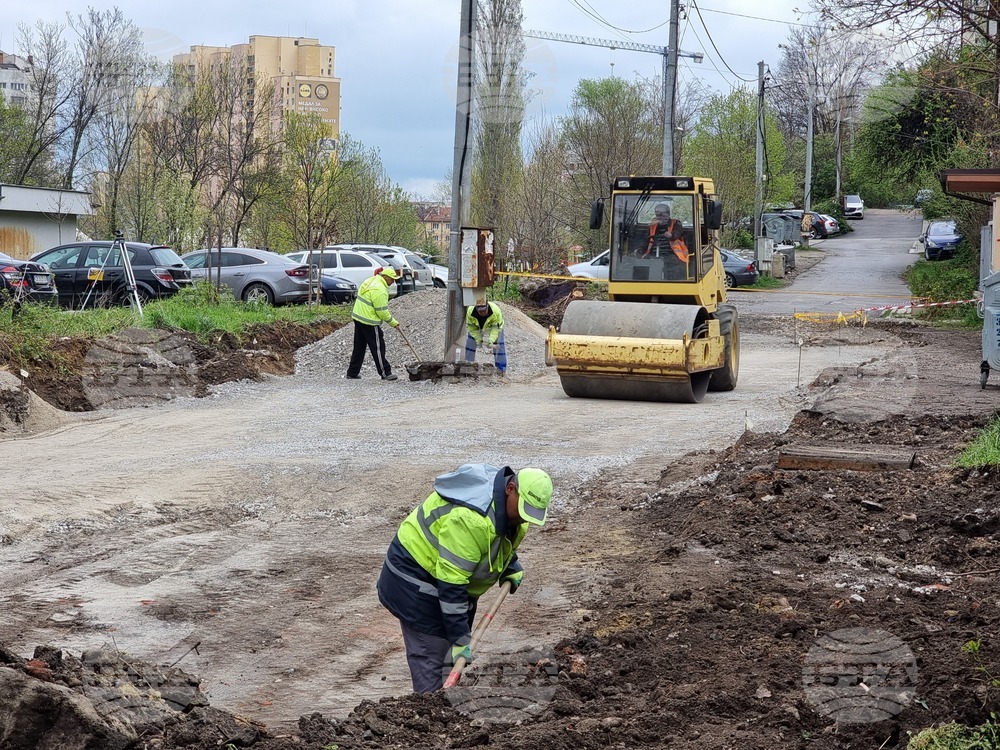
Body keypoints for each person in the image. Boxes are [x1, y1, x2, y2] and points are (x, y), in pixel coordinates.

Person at [377, 463, 553, 693]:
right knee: (432, 654)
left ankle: (445, 705)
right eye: (522, 509)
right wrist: (461, 639)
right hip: (414, 579)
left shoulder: (511, 513)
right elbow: (452, 585)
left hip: (448, 577)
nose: (523, 517)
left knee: (452, 655)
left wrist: (509, 564)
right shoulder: (470, 519)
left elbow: (493, 540)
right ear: (510, 488)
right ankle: (427, 713)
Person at [346, 267, 400, 380]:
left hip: (358, 317)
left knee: (359, 347)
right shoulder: (380, 290)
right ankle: (385, 373)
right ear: (385, 277)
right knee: (378, 347)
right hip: (369, 321)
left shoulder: (371, 280)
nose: (393, 281)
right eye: (392, 279)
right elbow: (382, 312)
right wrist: (393, 322)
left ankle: (352, 373)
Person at [643, 203, 689, 278]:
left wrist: (671, 235)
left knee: (674, 267)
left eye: (663, 214)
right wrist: (640, 250)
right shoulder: (653, 225)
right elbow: (646, 239)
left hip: (673, 254)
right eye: (658, 215)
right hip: (654, 253)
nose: (661, 217)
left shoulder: (676, 223)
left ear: (668, 213)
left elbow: (678, 233)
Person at [464, 301, 506, 374]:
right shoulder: (470, 311)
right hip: (478, 326)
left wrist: (490, 341)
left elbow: (495, 329)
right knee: (470, 341)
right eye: (480, 311)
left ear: (487, 306)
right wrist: (479, 340)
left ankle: (501, 370)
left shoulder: (495, 311)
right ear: (476, 309)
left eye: (484, 310)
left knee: (499, 343)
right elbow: (472, 329)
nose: (483, 312)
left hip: (495, 327)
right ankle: (468, 365)